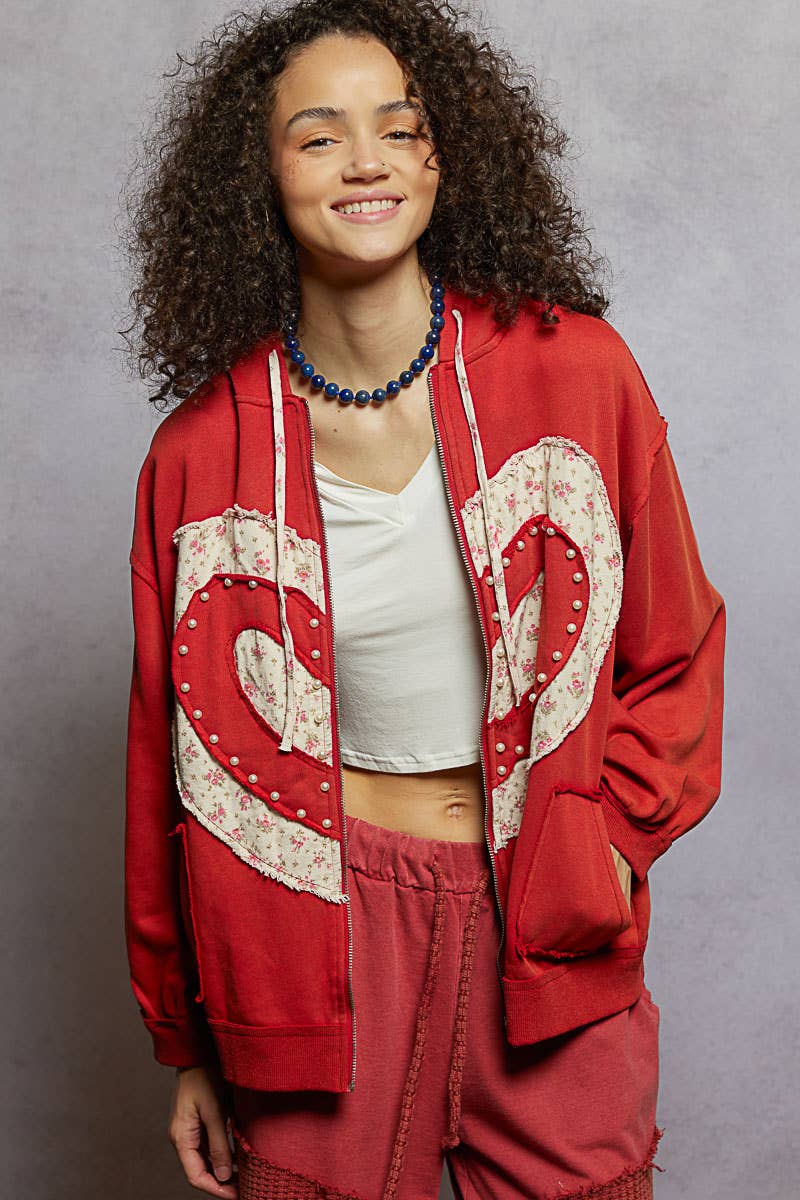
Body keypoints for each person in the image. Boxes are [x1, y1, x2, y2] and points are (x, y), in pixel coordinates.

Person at [120, 2, 726, 1198]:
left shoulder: (577, 372)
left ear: (443, 158)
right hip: (314, 940)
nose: (366, 162)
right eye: (318, 136)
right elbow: (163, 760)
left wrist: (608, 846)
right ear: (257, 177)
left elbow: (676, 650)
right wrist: (184, 1040)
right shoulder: (199, 455)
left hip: (543, 913)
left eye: (398, 129)